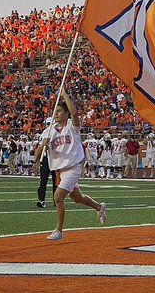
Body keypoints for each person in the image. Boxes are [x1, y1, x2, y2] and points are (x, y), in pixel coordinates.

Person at [40, 89, 106, 240]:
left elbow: (75, 114)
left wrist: (64, 95)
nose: (56, 114)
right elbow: (40, 148)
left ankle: (59, 230)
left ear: (66, 113)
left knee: (57, 197)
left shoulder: (71, 126)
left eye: (59, 111)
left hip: (73, 167)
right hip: (59, 170)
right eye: (54, 111)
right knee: (78, 198)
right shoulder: (50, 131)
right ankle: (99, 207)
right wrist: (38, 156)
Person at [32, 116, 58, 209]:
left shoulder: (55, 132)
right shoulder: (46, 132)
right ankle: (43, 200)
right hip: (50, 158)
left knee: (55, 182)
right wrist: (36, 161)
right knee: (45, 181)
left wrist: (36, 161)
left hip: (55, 159)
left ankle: (55, 200)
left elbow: (39, 148)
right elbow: (41, 147)